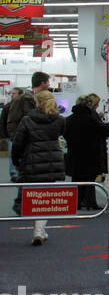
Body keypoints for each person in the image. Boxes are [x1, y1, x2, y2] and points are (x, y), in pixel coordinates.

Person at [10, 90, 65, 245]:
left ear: (36, 103)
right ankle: (39, 231)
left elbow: (18, 143)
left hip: (31, 161)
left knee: (32, 196)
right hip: (52, 161)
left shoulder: (27, 120)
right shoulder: (60, 120)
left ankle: (37, 229)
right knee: (45, 197)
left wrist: (16, 161)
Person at [65, 94, 109, 210]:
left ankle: (76, 203)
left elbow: (65, 134)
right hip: (90, 153)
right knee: (89, 179)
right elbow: (103, 130)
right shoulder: (90, 118)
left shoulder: (69, 119)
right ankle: (90, 202)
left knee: (76, 178)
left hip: (74, 153)